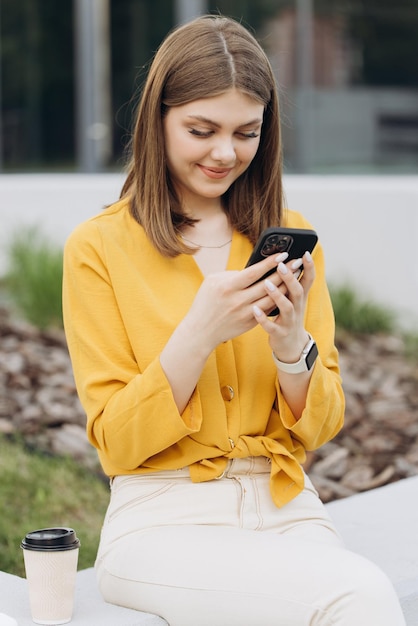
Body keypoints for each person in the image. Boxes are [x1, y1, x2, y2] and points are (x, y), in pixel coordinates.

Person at [62, 14, 405, 626]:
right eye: (202, 129)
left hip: (287, 505)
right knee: (358, 595)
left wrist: (289, 344)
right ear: (158, 121)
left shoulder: (289, 242)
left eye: (247, 132)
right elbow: (118, 444)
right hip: (162, 516)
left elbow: (322, 425)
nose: (226, 152)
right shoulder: (99, 248)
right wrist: (199, 332)